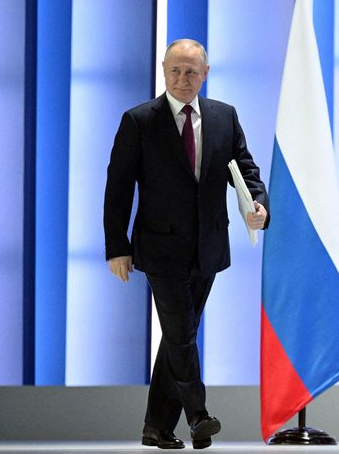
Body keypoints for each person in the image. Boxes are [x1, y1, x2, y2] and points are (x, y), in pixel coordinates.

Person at [103, 38, 269, 450]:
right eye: (175, 70)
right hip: (159, 249)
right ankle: (198, 415)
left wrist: (260, 205)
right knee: (180, 332)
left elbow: (245, 170)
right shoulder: (139, 120)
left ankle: (156, 427)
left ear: (205, 73)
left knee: (180, 335)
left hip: (209, 246)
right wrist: (116, 246)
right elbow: (118, 189)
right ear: (163, 70)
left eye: (191, 71)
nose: (183, 79)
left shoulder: (224, 117)